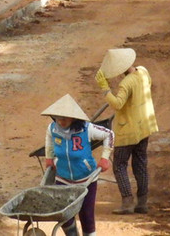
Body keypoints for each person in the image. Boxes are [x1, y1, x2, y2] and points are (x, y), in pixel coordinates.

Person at [95, 48, 158, 215]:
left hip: (127, 131)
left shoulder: (126, 83)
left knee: (120, 165)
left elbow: (117, 104)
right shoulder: (143, 71)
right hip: (144, 126)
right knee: (140, 162)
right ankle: (142, 202)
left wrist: (105, 88)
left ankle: (127, 202)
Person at [42, 94, 113, 236]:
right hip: (62, 179)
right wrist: (49, 157)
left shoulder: (87, 129)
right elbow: (49, 140)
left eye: (64, 119)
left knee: (86, 216)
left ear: (73, 118)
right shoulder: (53, 129)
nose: (61, 122)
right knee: (64, 216)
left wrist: (105, 158)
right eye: (58, 118)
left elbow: (109, 135)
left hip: (86, 181)